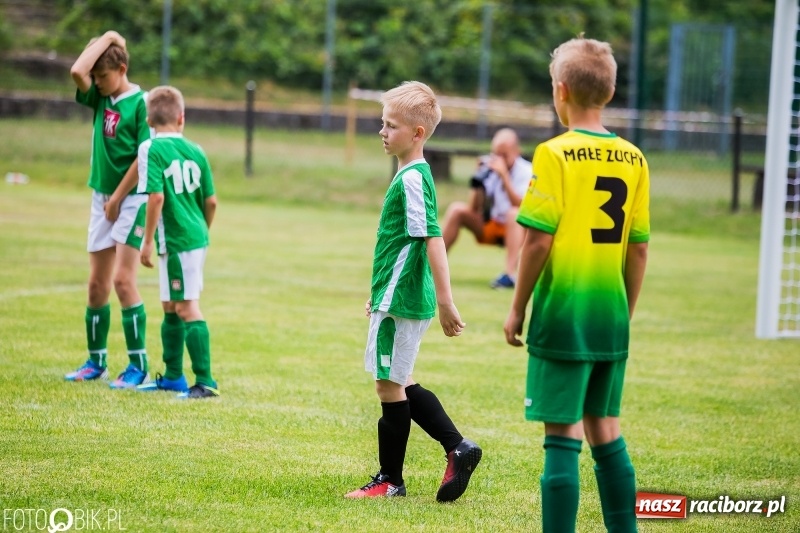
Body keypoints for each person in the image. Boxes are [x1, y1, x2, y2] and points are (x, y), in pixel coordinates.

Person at [503, 36, 650, 533]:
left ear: (560, 90)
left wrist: (517, 307)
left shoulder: (553, 154)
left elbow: (537, 242)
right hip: (610, 316)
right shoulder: (635, 158)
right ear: (607, 94)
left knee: (562, 434)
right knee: (606, 431)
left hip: (564, 315)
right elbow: (639, 248)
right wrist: (623, 312)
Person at [345, 81, 482, 501]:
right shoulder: (411, 175)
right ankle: (458, 447)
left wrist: (446, 301)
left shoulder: (411, 179)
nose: (382, 132)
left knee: (388, 384)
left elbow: (432, 239)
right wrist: (381, 292)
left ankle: (390, 480)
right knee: (399, 379)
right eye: (382, 123)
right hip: (397, 295)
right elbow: (403, 245)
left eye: (391, 125)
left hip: (403, 299)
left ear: (417, 133)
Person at [65, 31, 152, 389]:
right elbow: (76, 71)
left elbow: (144, 156)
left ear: (122, 68)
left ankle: (138, 366)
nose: (96, 83)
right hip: (102, 198)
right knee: (96, 284)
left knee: (122, 280)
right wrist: (109, 37)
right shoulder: (101, 98)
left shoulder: (141, 103)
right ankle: (96, 361)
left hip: (130, 199)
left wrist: (117, 197)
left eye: (103, 77)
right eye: (96, 79)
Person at [134, 85, 219, 399]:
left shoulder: (151, 149)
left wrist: (145, 243)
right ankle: (172, 377)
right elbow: (211, 202)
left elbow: (155, 197)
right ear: (181, 118)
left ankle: (205, 381)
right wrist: (203, 232)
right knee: (170, 304)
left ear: (149, 120)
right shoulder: (196, 150)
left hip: (179, 240)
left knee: (186, 306)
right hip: (194, 236)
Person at [441, 128, 532, 289]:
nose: (500, 159)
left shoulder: (527, 171)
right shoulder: (491, 168)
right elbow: (474, 208)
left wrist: (504, 177)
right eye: (497, 154)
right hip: (493, 224)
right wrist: (479, 182)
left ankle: (509, 275)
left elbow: (523, 206)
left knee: (513, 213)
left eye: (505, 155)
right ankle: (432, 267)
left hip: (517, 229)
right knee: (457, 210)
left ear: (517, 152)